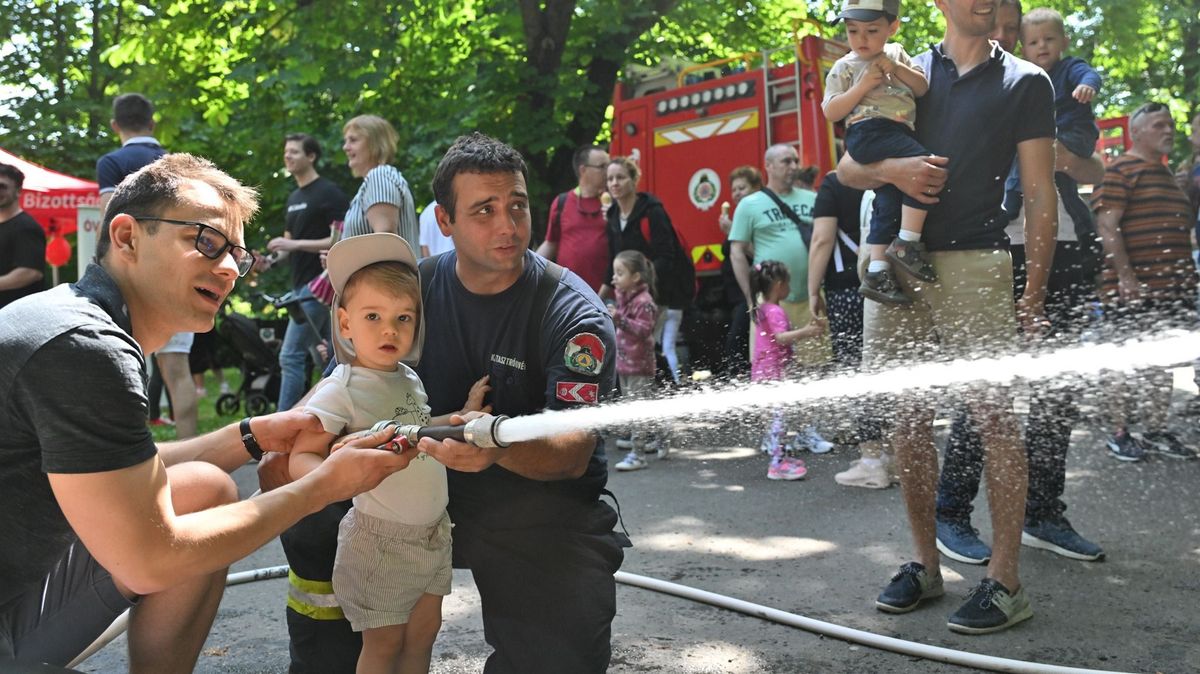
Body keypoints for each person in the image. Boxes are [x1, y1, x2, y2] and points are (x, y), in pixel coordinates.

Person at [0, 153, 413, 670]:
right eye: (206, 241)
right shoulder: (84, 345)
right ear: (126, 236)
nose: (227, 269)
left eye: (236, 256)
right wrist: (324, 486)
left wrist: (251, 434)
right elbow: (151, 560)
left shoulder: (72, 316)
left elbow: (127, 469)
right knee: (180, 524)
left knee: (205, 487)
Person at [276, 133, 628, 673]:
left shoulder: (572, 314)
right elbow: (335, 390)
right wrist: (291, 456)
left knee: (557, 655)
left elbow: (571, 451)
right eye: (484, 211)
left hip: (535, 507)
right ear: (444, 222)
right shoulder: (409, 293)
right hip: (404, 494)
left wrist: (497, 449)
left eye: (516, 205)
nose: (507, 226)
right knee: (302, 502)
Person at [837, 0, 1059, 634]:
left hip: (979, 262)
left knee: (994, 418)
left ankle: (1006, 580)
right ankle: (924, 565)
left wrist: (1035, 290)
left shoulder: (1025, 80)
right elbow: (847, 167)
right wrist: (893, 169)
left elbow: (1040, 191)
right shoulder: (893, 64)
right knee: (906, 419)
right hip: (897, 262)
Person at [935, 0, 1110, 566]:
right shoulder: (957, 81)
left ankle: (1043, 513)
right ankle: (952, 513)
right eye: (1003, 28)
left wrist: (1063, 157)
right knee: (988, 391)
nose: (1005, 36)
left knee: (1057, 391)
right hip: (992, 252)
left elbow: (1094, 171)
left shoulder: (1045, 85)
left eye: (1015, 29)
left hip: (1063, 252)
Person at [289, 234, 490, 674]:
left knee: (422, 638)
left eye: (403, 318)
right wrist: (332, 473)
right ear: (345, 324)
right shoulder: (340, 387)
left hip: (432, 533)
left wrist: (461, 415)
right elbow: (301, 455)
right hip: (379, 541)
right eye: (373, 316)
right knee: (383, 647)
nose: (389, 330)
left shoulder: (408, 379)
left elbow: (418, 429)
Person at [1094, 101, 1199, 462]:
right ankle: (1119, 433)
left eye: (1170, 125)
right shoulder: (1121, 168)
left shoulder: (1170, 176)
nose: (1168, 131)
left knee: (1162, 363)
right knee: (1123, 362)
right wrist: (1126, 276)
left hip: (1173, 288)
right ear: (1136, 133)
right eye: (1158, 125)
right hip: (1131, 289)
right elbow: (1107, 224)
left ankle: (1155, 430)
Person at [96, 93, 199, 439]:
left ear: (115, 126)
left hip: (130, 279)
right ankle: (191, 452)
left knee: (122, 365)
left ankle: (133, 454)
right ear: (152, 123)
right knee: (177, 372)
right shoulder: (178, 164)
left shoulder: (111, 162)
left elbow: (108, 219)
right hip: (179, 272)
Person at [822, 0, 933, 306]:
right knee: (925, 168)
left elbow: (921, 88)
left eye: (872, 30)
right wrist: (862, 86)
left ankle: (877, 269)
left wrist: (896, 69)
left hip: (896, 132)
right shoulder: (844, 66)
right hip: (868, 131)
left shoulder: (896, 53)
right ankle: (907, 243)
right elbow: (831, 110)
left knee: (889, 198)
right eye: (853, 30)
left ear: (892, 27)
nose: (861, 39)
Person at [730, 143, 833, 452]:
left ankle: (807, 430)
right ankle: (772, 435)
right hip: (773, 304)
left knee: (812, 369)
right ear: (769, 167)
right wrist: (751, 299)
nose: (793, 165)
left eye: (795, 160)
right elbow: (737, 251)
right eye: (786, 161)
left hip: (811, 297)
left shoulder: (813, 200)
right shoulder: (749, 205)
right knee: (772, 373)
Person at [264, 133, 350, 411]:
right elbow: (287, 247)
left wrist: (294, 243)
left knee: (290, 356)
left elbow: (339, 240)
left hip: (320, 287)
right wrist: (269, 261)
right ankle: (334, 415)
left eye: (295, 152)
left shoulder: (329, 193)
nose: (287, 156)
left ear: (311, 156)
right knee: (328, 359)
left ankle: (280, 425)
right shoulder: (293, 198)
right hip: (300, 287)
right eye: (286, 151)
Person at [1002, 7, 1102, 239]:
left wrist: (1087, 86)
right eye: (1034, 42)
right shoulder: (1025, 79)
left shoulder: (1069, 68)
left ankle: (1012, 199)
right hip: (1055, 139)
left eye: (1049, 39)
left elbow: (1090, 74)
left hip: (1075, 134)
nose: (1042, 46)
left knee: (1027, 150)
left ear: (1064, 42)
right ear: (1024, 49)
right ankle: (1086, 230)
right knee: (1062, 186)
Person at [603, 155, 694, 385]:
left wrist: (640, 284)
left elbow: (667, 256)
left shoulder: (652, 211)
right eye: (610, 178)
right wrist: (598, 295)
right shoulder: (613, 214)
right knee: (637, 347)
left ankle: (663, 390)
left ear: (634, 180)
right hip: (628, 295)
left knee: (648, 345)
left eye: (621, 178)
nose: (614, 183)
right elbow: (613, 258)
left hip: (658, 293)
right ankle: (655, 390)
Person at [751, 260, 826, 481]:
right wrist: (807, 331)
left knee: (779, 419)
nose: (790, 288)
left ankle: (781, 457)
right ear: (779, 285)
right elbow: (781, 338)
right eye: (788, 283)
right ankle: (777, 465)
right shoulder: (774, 311)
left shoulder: (763, 307)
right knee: (778, 421)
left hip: (766, 372)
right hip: (772, 374)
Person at [609, 249, 662, 472]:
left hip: (640, 365)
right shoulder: (625, 298)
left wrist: (619, 319)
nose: (614, 278)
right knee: (635, 406)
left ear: (636, 277)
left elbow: (644, 330)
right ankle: (661, 434)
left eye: (619, 273)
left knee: (638, 409)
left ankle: (638, 454)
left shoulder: (644, 302)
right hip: (625, 364)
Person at [537, 144, 611, 292]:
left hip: (609, 297)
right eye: (602, 166)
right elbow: (551, 243)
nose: (608, 171)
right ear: (583, 170)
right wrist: (528, 269)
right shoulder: (561, 202)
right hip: (570, 295)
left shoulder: (614, 202)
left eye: (609, 165)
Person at [341, 115, 419, 244]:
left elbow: (385, 238)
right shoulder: (377, 179)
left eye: (353, 140)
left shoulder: (379, 176)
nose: (345, 147)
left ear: (375, 144)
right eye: (346, 141)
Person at [718, 166, 763, 378]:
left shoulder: (757, 215)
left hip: (751, 293)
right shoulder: (739, 216)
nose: (736, 193)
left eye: (742, 188)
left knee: (735, 344)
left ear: (756, 188)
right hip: (735, 295)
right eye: (734, 189)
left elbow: (759, 252)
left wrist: (731, 232)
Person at [0, 163, 46, 308]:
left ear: (18, 191)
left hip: (18, 316)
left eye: (2, 186)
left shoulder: (26, 227)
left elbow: (30, 272)